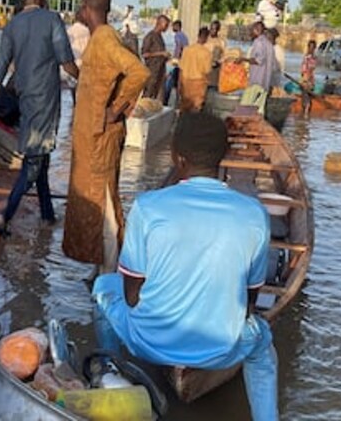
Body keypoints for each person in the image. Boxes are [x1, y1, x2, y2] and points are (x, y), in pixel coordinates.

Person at [92, 112, 278, 421]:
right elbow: (248, 305)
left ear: (177, 157)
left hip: (148, 342)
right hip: (221, 349)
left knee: (102, 288)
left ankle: (112, 372)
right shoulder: (254, 214)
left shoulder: (148, 207)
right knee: (263, 347)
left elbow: (131, 296)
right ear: (223, 156)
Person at [65, 0, 149, 271]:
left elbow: (139, 72)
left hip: (100, 137)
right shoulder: (100, 38)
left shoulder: (104, 39)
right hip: (92, 135)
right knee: (94, 200)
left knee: (103, 202)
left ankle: (111, 271)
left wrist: (115, 109)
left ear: (86, 8)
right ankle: (101, 268)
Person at [0, 0, 80, 233]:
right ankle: (5, 215)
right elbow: (66, 60)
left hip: (24, 97)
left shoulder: (12, 25)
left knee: (40, 155)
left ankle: (47, 215)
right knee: (34, 161)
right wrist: (85, 79)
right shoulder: (52, 20)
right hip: (45, 99)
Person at [178, 26, 213, 112]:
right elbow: (207, 72)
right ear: (206, 38)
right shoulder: (206, 53)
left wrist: (179, 84)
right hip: (198, 84)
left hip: (185, 82)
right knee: (196, 108)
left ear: (198, 36)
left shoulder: (186, 50)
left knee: (184, 107)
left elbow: (181, 69)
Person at [140, 15, 171, 99]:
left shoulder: (160, 37)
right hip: (152, 72)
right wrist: (160, 53)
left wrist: (166, 57)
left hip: (160, 72)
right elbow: (144, 54)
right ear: (160, 23)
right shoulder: (150, 36)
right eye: (166, 25)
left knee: (158, 97)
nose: (167, 28)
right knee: (148, 96)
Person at [164, 20, 189, 105]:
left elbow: (179, 47)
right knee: (178, 82)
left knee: (169, 80)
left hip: (178, 61)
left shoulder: (178, 35)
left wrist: (175, 59)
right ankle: (178, 101)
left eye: (173, 26)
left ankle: (165, 100)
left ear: (177, 26)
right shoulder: (184, 35)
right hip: (183, 61)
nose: (172, 28)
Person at [205, 20, 227, 87]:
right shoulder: (205, 39)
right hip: (204, 70)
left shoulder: (221, 42)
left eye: (214, 29)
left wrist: (219, 62)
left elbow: (224, 55)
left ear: (218, 30)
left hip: (215, 70)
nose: (212, 31)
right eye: (211, 28)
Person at [299, 40, 318, 116]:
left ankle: (306, 113)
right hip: (307, 79)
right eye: (310, 47)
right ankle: (306, 113)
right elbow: (304, 70)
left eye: (312, 48)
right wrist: (304, 80)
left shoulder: (312, 58)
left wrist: (306, 80)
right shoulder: (308, 57)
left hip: (309, 80)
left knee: (306, 97)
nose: (311, 49)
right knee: (306, 96)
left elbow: (309, 70)